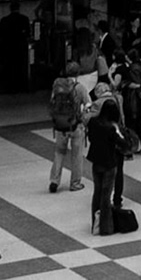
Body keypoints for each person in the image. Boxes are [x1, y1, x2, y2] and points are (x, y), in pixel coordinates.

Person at [88, 96, 131, 235]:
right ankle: (105, 228)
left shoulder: (93, 122)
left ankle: (94, 223)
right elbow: (124, 144)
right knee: (106, 196)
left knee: (97, 193)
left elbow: (90, 138)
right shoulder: (110, 128)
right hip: (109, 163)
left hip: (96, 161)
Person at [49, 61, 91, 192]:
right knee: (76, 155)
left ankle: (54, 180)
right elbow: (89, 104)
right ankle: (75, 183)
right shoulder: (79, 88)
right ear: (78, 74)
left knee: (59, 153)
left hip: (60, 125)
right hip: (75, 125)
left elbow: (52, 101)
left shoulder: (58, 85)